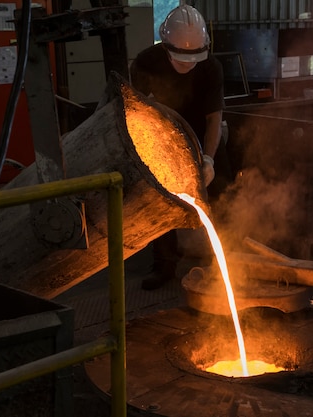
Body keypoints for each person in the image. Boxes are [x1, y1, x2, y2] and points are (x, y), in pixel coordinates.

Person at [129, 1, 228, 289]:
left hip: (203, 136)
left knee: (222, 193)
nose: (187, 64)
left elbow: (214, 119)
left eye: (193, 58)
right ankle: (164, 265)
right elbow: (134, 109)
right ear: (165, 46)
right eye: (181, 58)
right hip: (161, 138)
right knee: (159, 199)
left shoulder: (211, 68)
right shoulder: (147, 62)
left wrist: (208, 160)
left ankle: (221, 263)